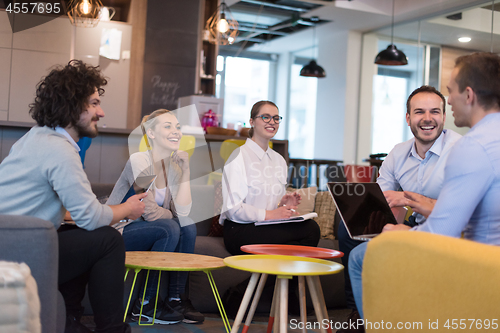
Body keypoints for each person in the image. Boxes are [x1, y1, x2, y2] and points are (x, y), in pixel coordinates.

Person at [349, 52, 500, 322]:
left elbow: (443, 231)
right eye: (420, 111)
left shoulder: (471, 146)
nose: (449, 100)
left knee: (362, 259)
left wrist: (397, 232)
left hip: (481, 262)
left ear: (469, 95)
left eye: (450, 93)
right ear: (408, 118)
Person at [0, 60, 146, 333]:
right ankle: (112, 330)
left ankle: (69, 321)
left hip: (11, 244)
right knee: (108, 240)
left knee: (78, 236)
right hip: (17, 253)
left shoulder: (35, 137)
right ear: (70, 104)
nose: (101, 112)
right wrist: (127, 208)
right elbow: (91, 217)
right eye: (93, 103)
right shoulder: (60, 150)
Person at [337, 85, 462, 333]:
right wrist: (384, 220)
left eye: (434, 112)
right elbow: (382, 199)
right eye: (419, 112)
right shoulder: (398, 153)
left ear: (444, 117)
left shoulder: (460, 151)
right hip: (412, 224)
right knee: (348, 227)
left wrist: (405, 198)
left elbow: (460, 211)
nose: (427, 118)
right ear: (408, 118)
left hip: (446, 228)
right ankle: (359, 311)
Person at [107, 109, 203, 324]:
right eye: (167, 126)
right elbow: (149, 213)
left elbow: (184, 213)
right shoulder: (139, 160)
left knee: (187, 226)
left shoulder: (174, 167)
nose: (175, 132)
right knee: (169, 227)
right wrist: (171, 214)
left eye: (177, 127)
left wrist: (186, 172)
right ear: (151, 133)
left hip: (148, 229)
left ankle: (176, 298)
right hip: (119, 230)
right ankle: (145, 304)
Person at [220, 100, 321, 254]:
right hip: (239, 229)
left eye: (276, 118)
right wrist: (270, 214)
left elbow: (272, 207)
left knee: (309, 230)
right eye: (265, 117)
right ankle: (277, 278)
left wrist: (283, 204)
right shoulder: (238, 157)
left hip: (266, 227)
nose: (272, 122)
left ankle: (272, 278)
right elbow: (232, 210)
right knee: (309, 232)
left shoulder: (279, 160)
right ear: (252, 122)